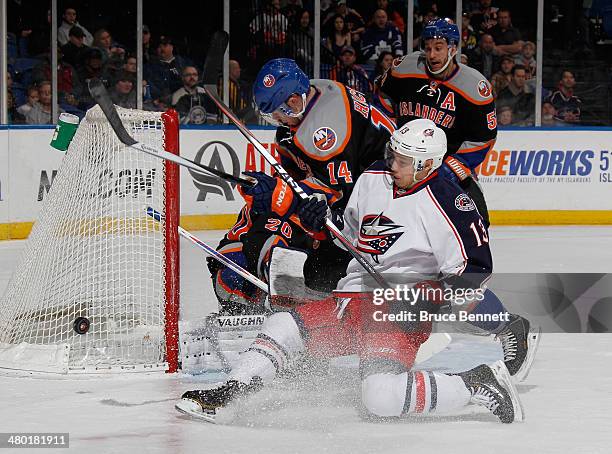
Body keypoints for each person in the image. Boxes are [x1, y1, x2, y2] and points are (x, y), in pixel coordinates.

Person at [177, 120, 532, 424]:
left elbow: (473, 271)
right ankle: (231, 393)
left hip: (396, 311)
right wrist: (321, 226)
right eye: (393, 153)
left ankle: (479, 382)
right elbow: (348, 236)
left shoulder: (451, 204)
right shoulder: (374, 176)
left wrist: (424, 299)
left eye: (403, 160)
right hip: (352, 300)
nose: (392, 162)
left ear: (426, 165)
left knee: (378, 399)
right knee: (283, 324)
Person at [209, 58, 395, 313]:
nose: (277, 120)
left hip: (373, 219)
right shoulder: (318, 93)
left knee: (282, 230)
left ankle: (295, 307)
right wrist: (275, 190)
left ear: (295, 99)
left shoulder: (326, 133)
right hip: (357, 199)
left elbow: (336, 195)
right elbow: (300, 180)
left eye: (279, 112)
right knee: (255, 221)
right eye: (271, 115)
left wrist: (278, 193)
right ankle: (246, 292)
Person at [377, 18, 497, 227]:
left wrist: (451, 168)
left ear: (453, 48)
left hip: (444, 165)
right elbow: (381, 99)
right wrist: (393, 135)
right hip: (401, 162)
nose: (432, 55)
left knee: (477, 222)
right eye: (428, 48)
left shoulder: (474, 87)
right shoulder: (404, 67)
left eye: (439, 48)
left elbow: (484, 139)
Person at [360, 9, 403, 75]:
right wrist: (379, 60)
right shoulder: (368, 32)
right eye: (378, 17)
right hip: (375, 60)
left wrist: (398, 57)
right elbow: (365, 50)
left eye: (383, 17)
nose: (381, 20)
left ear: (387, 18)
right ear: (374, 19)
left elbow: (398, 45)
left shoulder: (393, 29)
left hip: (390, 59)